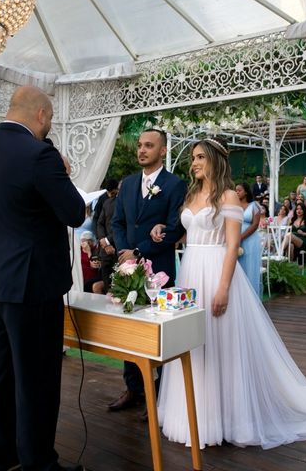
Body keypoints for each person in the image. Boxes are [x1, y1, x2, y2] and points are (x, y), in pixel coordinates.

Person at [151, 137, 306, 449]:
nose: (195, 162)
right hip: (190, 271)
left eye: (200, 157)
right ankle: (192, 414)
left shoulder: (227, 195)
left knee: (219, 345)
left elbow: (231, 245)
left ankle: (225, 418)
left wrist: (224, 287)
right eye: (193, 157)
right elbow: (188, 232)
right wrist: (163, 231)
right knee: (194, 345)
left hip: (216, 270)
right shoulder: (192, 193)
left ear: (214, 160)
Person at [0, 86, 86, 471]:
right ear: (40, 115)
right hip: (31, 286)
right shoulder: (40, 154)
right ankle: (38, 465)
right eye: (49, 120)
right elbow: (73, 213)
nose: (48, 126)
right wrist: (63, 175)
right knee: (36, 380)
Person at [109, 128, 187, 414]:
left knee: (159, 333)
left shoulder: (175, 184)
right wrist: (124, 253)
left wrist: (140, 251)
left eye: (149, 146)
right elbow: (117, 222)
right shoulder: (128, 184)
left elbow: (175, 228)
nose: (141, 150)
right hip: (127, 270)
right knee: (130, 331)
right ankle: (133, 388)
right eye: (140, 145)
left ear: (163, 151)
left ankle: (161, 395)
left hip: (161, 272)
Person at [236, 182, 263, 295]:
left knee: (249, 267)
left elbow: (255, 224)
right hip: (235, 239)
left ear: (246, 192)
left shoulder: (254, 205)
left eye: (239, 190)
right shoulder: (234, 206)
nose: (237, 192)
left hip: (250, 240)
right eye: (235, 190)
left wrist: (241, 237)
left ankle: (251, 297)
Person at [96, 181, 120, 293]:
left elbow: (123, 227)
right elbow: (100, 223)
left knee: (119, 286)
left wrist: (107, 241)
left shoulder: (129, 205)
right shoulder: (107, 203)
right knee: (107, 287)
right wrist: (103, 241)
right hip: (105, 251)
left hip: (120, 249)